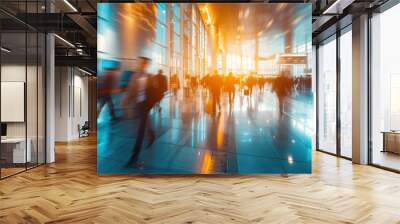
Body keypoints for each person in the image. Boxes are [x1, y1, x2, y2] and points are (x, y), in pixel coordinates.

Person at [122, 57, 155, 166]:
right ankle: (151, 134)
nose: (139, 64)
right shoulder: (135, 76)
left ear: (145, 64)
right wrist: (125, 102)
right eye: (139, 62)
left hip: (145, 105)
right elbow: (131, 91)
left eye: (142, 63)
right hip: (138, 105)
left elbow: (153, 91)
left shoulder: (149, 76)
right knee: (143, 124)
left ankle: (134, 157)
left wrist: (151, 103)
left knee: (140, 131)